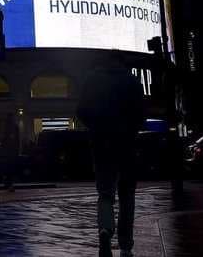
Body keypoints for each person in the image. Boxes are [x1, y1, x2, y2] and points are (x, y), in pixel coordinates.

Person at [77, 57, 145, 257]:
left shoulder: (92, 79)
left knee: (105, 193)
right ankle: (125, 244)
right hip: (126, 144)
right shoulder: (131, 81)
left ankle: (105, 229)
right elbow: (140, 114)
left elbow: (81, 111)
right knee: (127, 194)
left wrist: (96, 127)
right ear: (123, 64)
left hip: (101, 143)